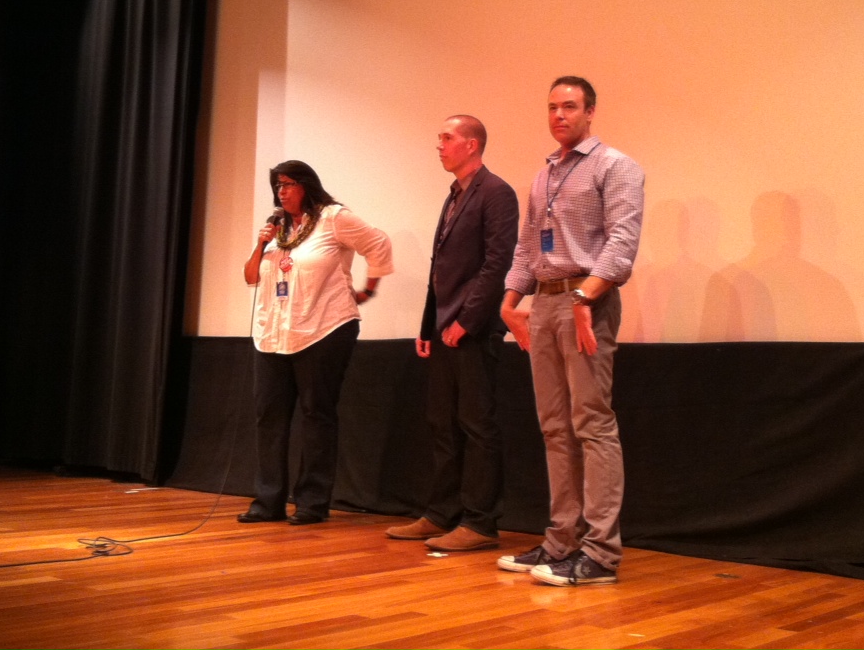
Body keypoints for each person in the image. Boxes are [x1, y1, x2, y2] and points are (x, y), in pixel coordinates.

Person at [498, 76, 645, 585]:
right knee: (554, 427)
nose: (559, 115)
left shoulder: (616, 166)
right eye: (552, 108)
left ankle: (601, 554)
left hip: (588, 303)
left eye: (569, 107)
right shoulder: (543, 176)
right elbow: (526, 249)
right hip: (544, 306)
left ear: (591, 112)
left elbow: (623, 243)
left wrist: (586, 297)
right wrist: (509, 302)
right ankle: (561, 541)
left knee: (592, 425)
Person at [385, 116, 519, 551]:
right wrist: (428, 324)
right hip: (445, 328)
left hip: (474, 330)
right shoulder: (454, 196)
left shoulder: (497, 193)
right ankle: (442, 513)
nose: (438, 145)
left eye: (446, 137)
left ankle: (480, 523)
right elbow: (440, 268)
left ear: (472, 145)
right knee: (442, 422)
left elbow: (496, 265)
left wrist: (469, 320)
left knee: (477, 425)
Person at [239, 160, 393, 525]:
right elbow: (250, 278)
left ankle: (311, 502)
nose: (281, 192)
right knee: (269, 417)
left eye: (289, 184)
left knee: (316, 415)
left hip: (324, 329)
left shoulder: (333, 218)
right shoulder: (276, 229)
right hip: (274, 334)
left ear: (306, 186)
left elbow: (379, 242)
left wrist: (368, 290)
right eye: (277, 185)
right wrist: (261, 243)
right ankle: (268, 501)